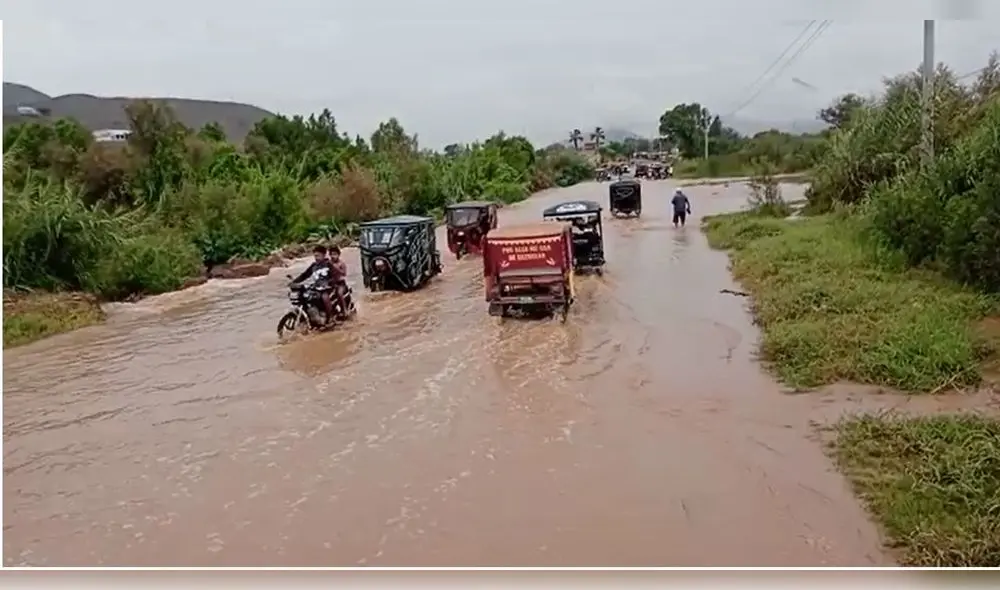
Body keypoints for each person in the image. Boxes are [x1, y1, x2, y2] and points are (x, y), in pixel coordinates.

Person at [291, 245, 336, 325]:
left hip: (327, 288)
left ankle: (330, 317)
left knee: (324, 297)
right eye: (315, 256)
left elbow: (335, 275)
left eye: (318, 256)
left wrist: (328, 283)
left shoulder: (328, 264)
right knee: (308, 297)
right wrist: (294, 282)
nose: (316, 258)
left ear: (323, 255)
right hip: (317, 287)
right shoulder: (313, 266)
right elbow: (304, 275)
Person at [327, 245, 350, 320]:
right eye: (331, 254)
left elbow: (344, 273)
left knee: (339, 293)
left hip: (341, 284)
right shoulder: (328, 263)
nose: (333, 256)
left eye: (335, 254)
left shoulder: (341, 263)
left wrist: (335, 267)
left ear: (338, 255)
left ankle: (344, 310)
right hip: (331, 284)